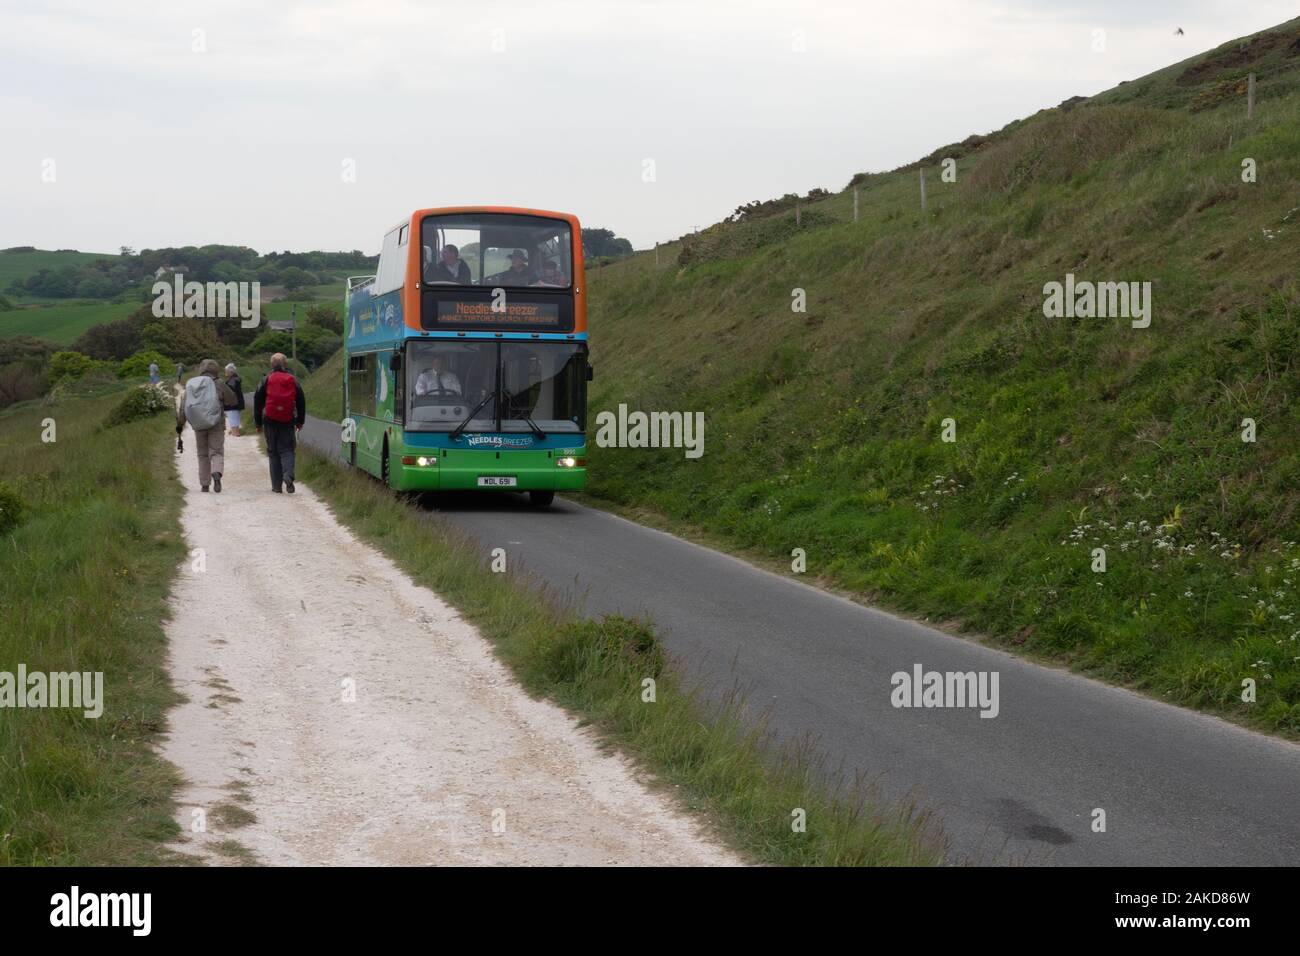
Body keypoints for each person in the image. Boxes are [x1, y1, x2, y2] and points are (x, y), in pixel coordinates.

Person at [176, 358, 237, 493]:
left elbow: (183, 408)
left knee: (202, 454)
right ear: (216, 369)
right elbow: (232, 400)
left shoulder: (192, 385)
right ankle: (216, 474)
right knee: (216, 451)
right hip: (216, 423)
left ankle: (204, 484)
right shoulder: (219, 383)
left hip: (198, 424)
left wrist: (180, 425)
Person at [253, 352, 306, 494]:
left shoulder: (266, 379)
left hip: (269, 420)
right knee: (287, 450)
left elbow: (257, 401)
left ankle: (276, 486)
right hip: (288, 420)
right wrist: (300, 421)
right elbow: (301, 401)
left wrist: (258, 423)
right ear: (285, 364)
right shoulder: (293, 380)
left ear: (272, 364)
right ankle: (288, 475)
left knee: (273, 452)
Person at [223, 363, 245, 436]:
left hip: (232, 403)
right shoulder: (236, 379)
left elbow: (230, 391)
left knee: (233, 417)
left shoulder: (233, 380)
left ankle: (235, 432)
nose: (225, 372)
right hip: (236, 402)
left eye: (226, 371)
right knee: (235, 417)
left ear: (231, 372)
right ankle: (235, 431)